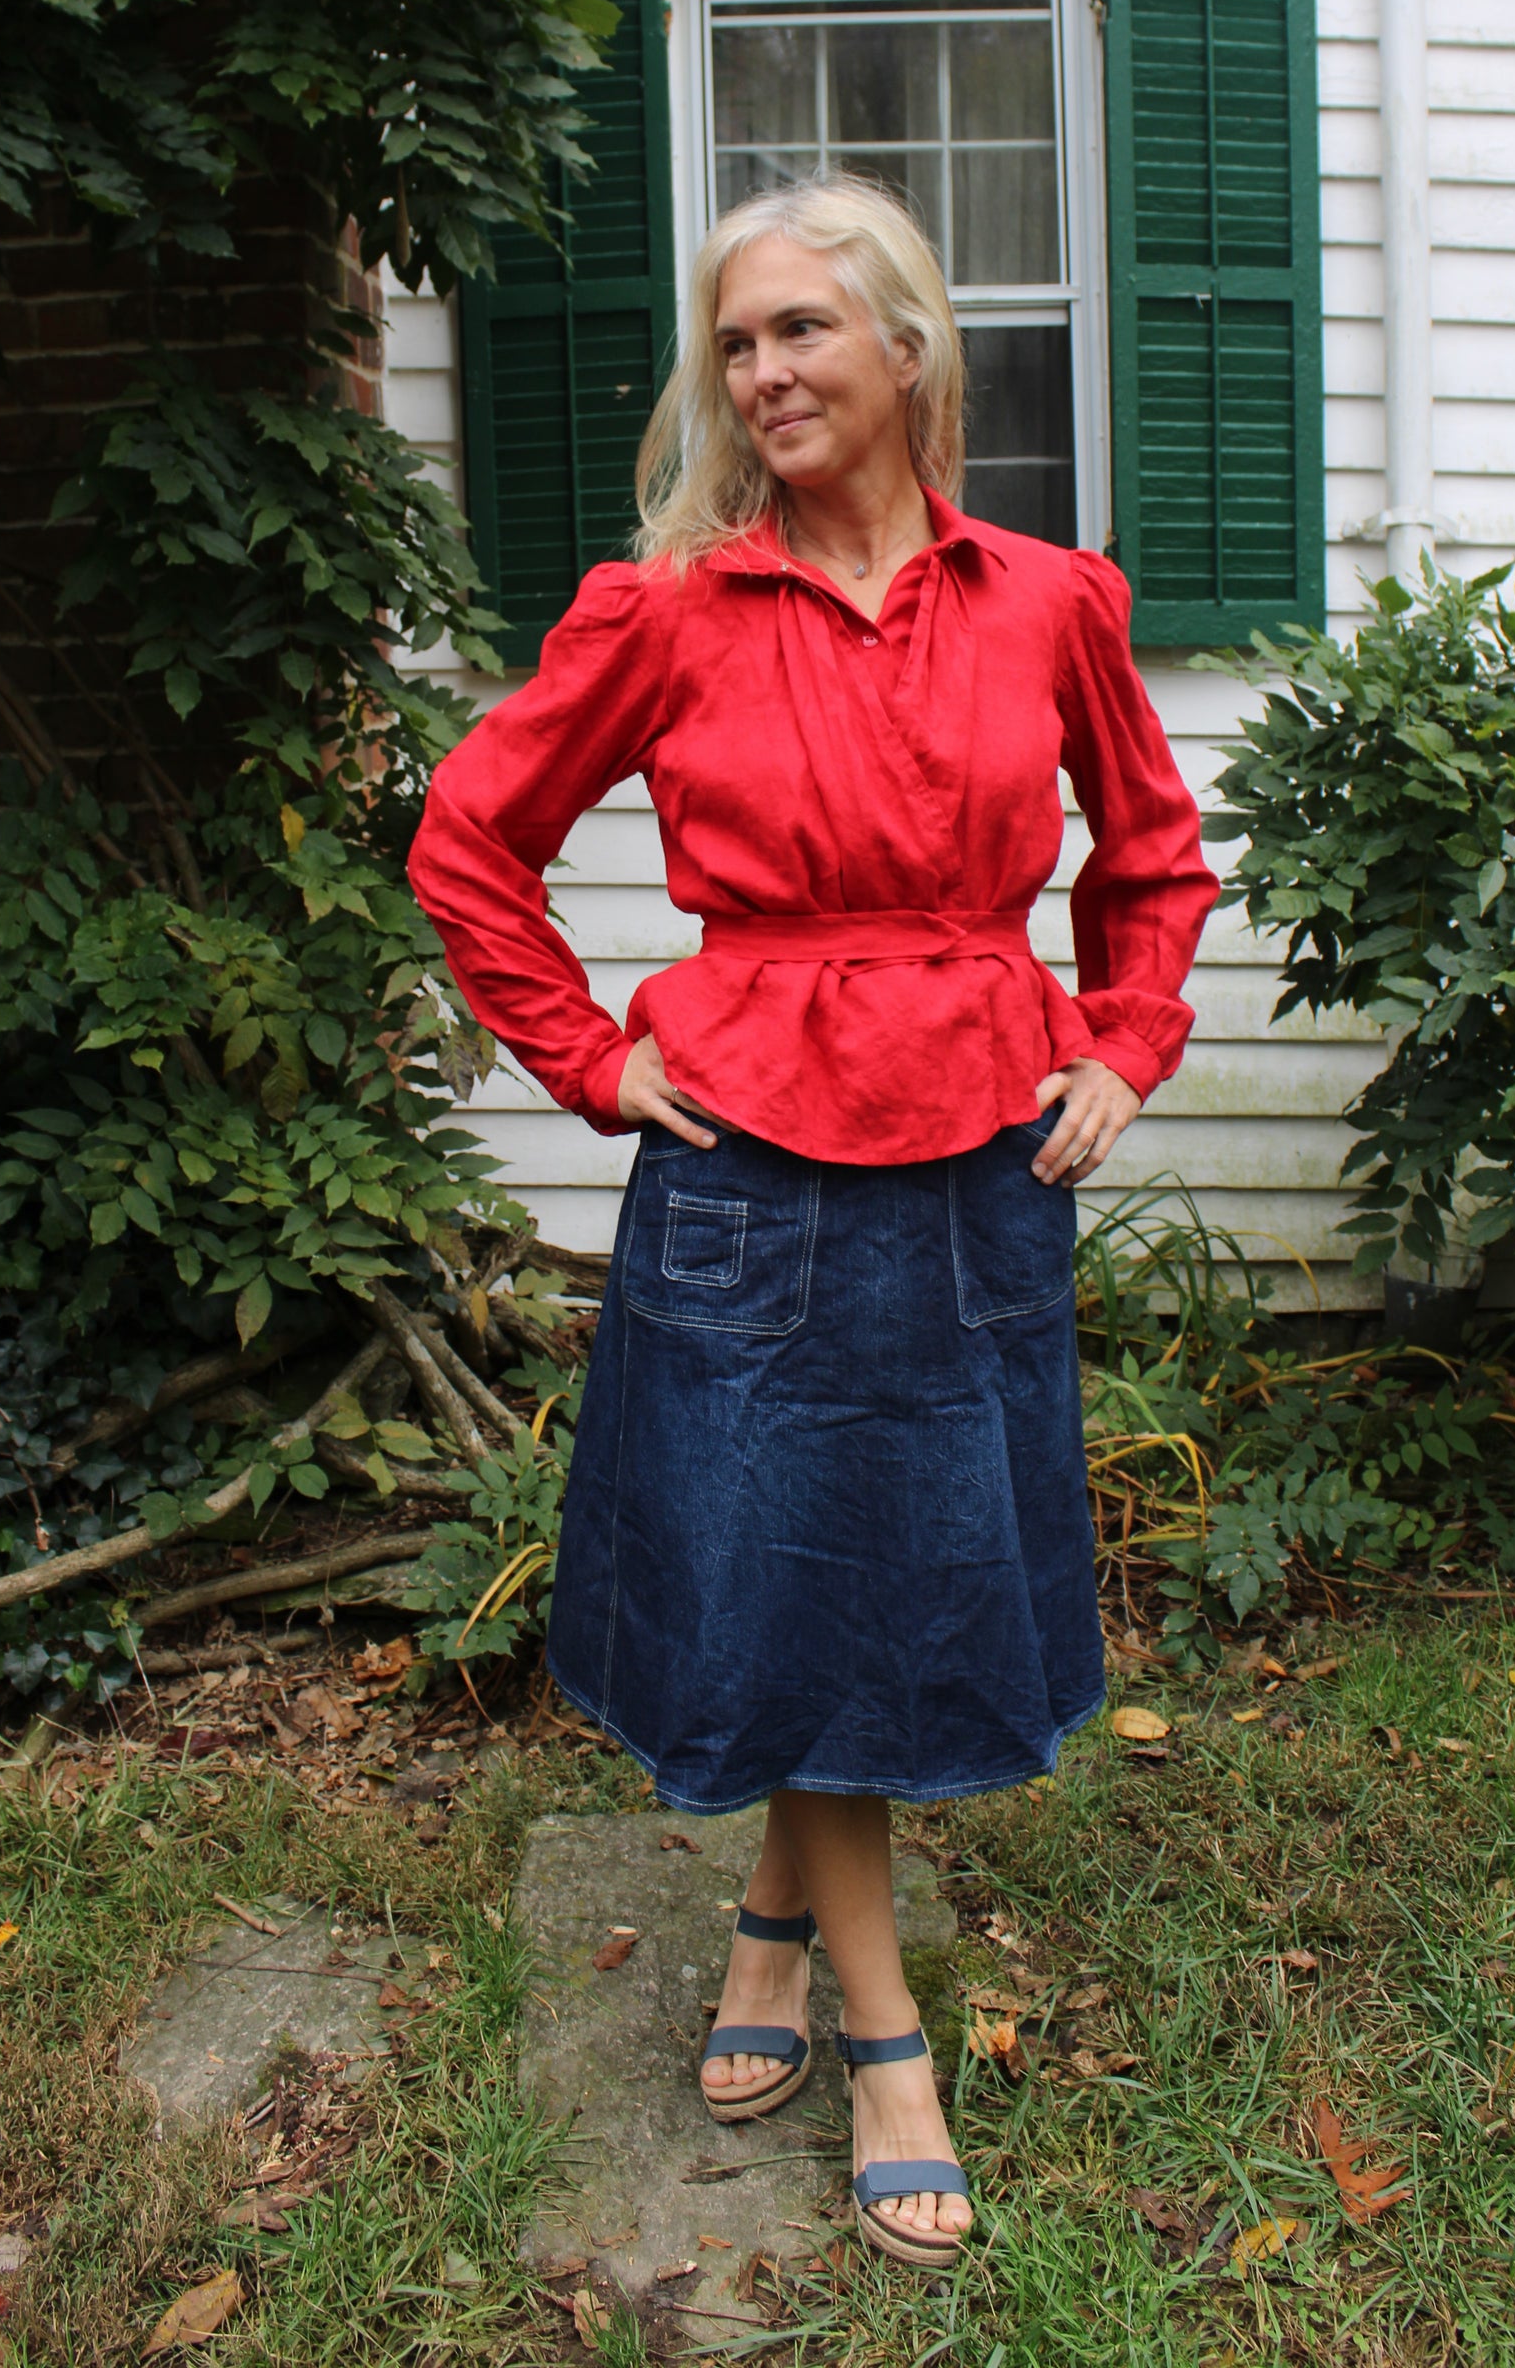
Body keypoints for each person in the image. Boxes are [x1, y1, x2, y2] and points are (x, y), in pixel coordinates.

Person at [408, 175, 1217, 2269]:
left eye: (798, 333)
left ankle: (773, 1920)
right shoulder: (662, 611)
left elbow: (1148, 854)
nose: (759, 372)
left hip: (975, 1155)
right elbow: (469, 839)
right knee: (796, 1573)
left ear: (906, 348)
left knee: (898, 1569)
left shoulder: (1054, 601)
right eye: (735, 343)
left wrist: (1125, 1041)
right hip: (747, 1164)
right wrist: (594, 1061)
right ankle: (885, 2038)